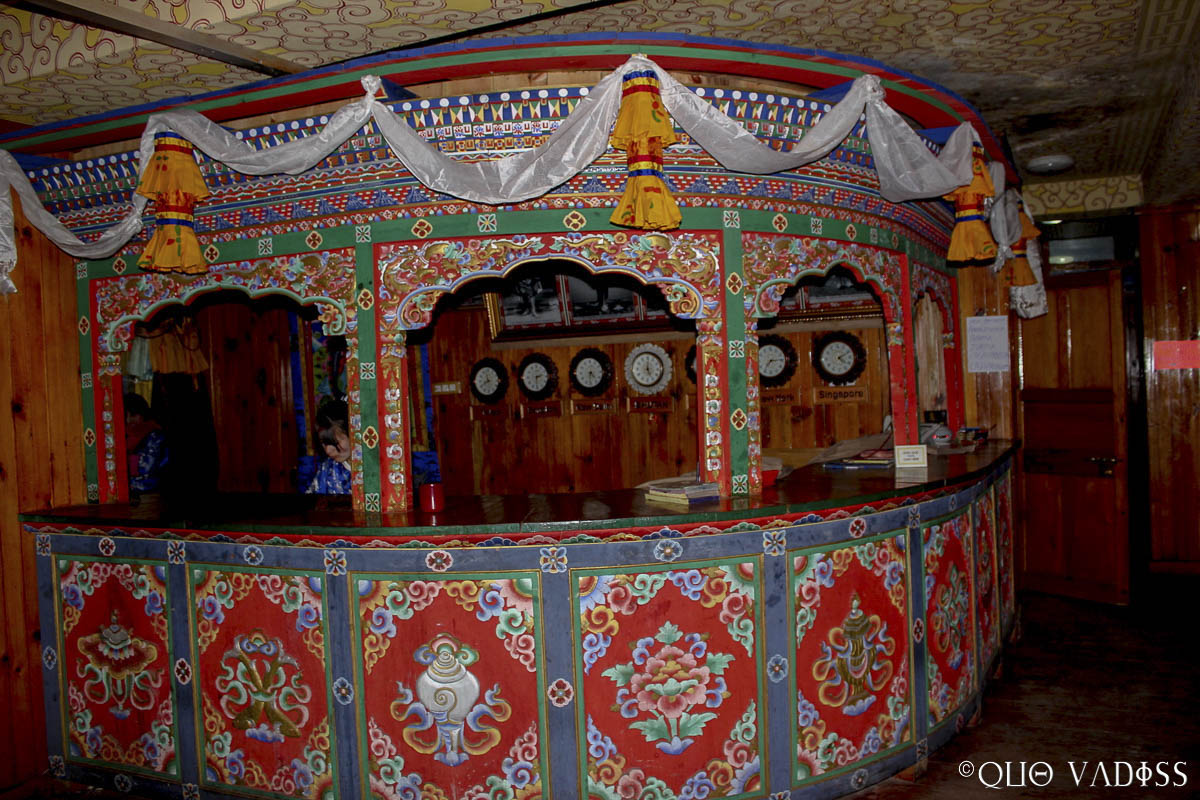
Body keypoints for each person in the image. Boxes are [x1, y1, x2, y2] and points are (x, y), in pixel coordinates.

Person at [124, 393, 169, 495]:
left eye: (133, 415)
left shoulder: (155, 436)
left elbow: (147, 470)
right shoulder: (127, 438)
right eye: (126, 416)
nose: (128, 420)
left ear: (143, 414)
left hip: (152, 494)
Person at [306, 397, 351, 495]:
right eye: (324, 443)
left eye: (335, 442)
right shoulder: (327, 469)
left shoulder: (376, 468)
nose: (328, 450)